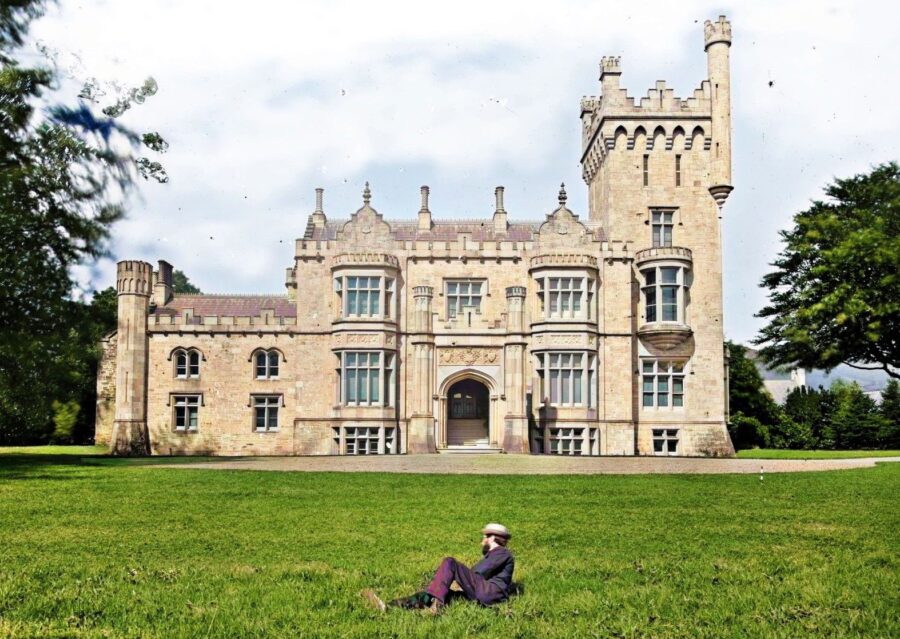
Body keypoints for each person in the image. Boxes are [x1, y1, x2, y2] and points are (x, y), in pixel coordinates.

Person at [361, 522, 515, 615]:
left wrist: (456, 578)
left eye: (485, 537)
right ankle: (389, 606)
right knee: (435, 594)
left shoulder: (502, 553)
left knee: (450, 562)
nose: (483, 541)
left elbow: (478, 571)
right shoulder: (497, 555)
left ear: (493, 537)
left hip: (490, 594)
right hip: (482, 595)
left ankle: (437, 605)